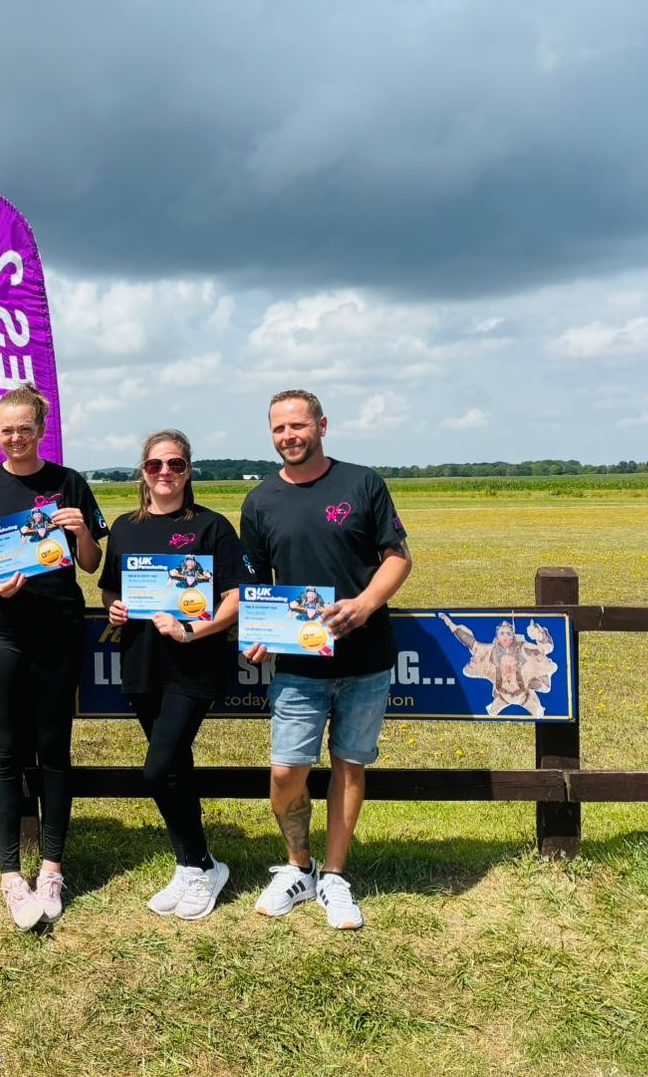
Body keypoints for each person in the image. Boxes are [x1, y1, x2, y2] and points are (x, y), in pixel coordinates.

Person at [239, 389, 412, 930]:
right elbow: (252, 583)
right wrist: (257, 630)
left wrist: (364, 605)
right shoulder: (260, 500)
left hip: (366, 659)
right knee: (287, 771)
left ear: (321, 425)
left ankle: (334, 876)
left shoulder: (363, 483)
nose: (289, 436)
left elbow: (398, 557)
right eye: (279, 429)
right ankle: (298, 867)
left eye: (298, 425)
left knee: (349, 764)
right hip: (297, 665)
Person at [0, 384, 106, 929]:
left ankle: (52, 866)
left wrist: (82, 531)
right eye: (6, 430)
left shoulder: (69, 483)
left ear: (41, 430)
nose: (15, 438)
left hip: (57, 627)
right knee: (6, 753)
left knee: (54, 750)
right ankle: (11, 876)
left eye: (25, 429)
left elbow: (88, 564)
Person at [99, 430, 242, 921]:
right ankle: (190, 865)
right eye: (156, 464)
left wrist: (192, 631)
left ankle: (203, 863)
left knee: (158, 768)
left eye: (175, 464)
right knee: (174, 768)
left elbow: (234, 599)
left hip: (192, 664)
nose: (165, 473)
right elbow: (110, 591)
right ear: (143, 471)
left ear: (188, 471)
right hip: (141, 664)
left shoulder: (212, 527)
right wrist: (114, 609)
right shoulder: (124, 527)